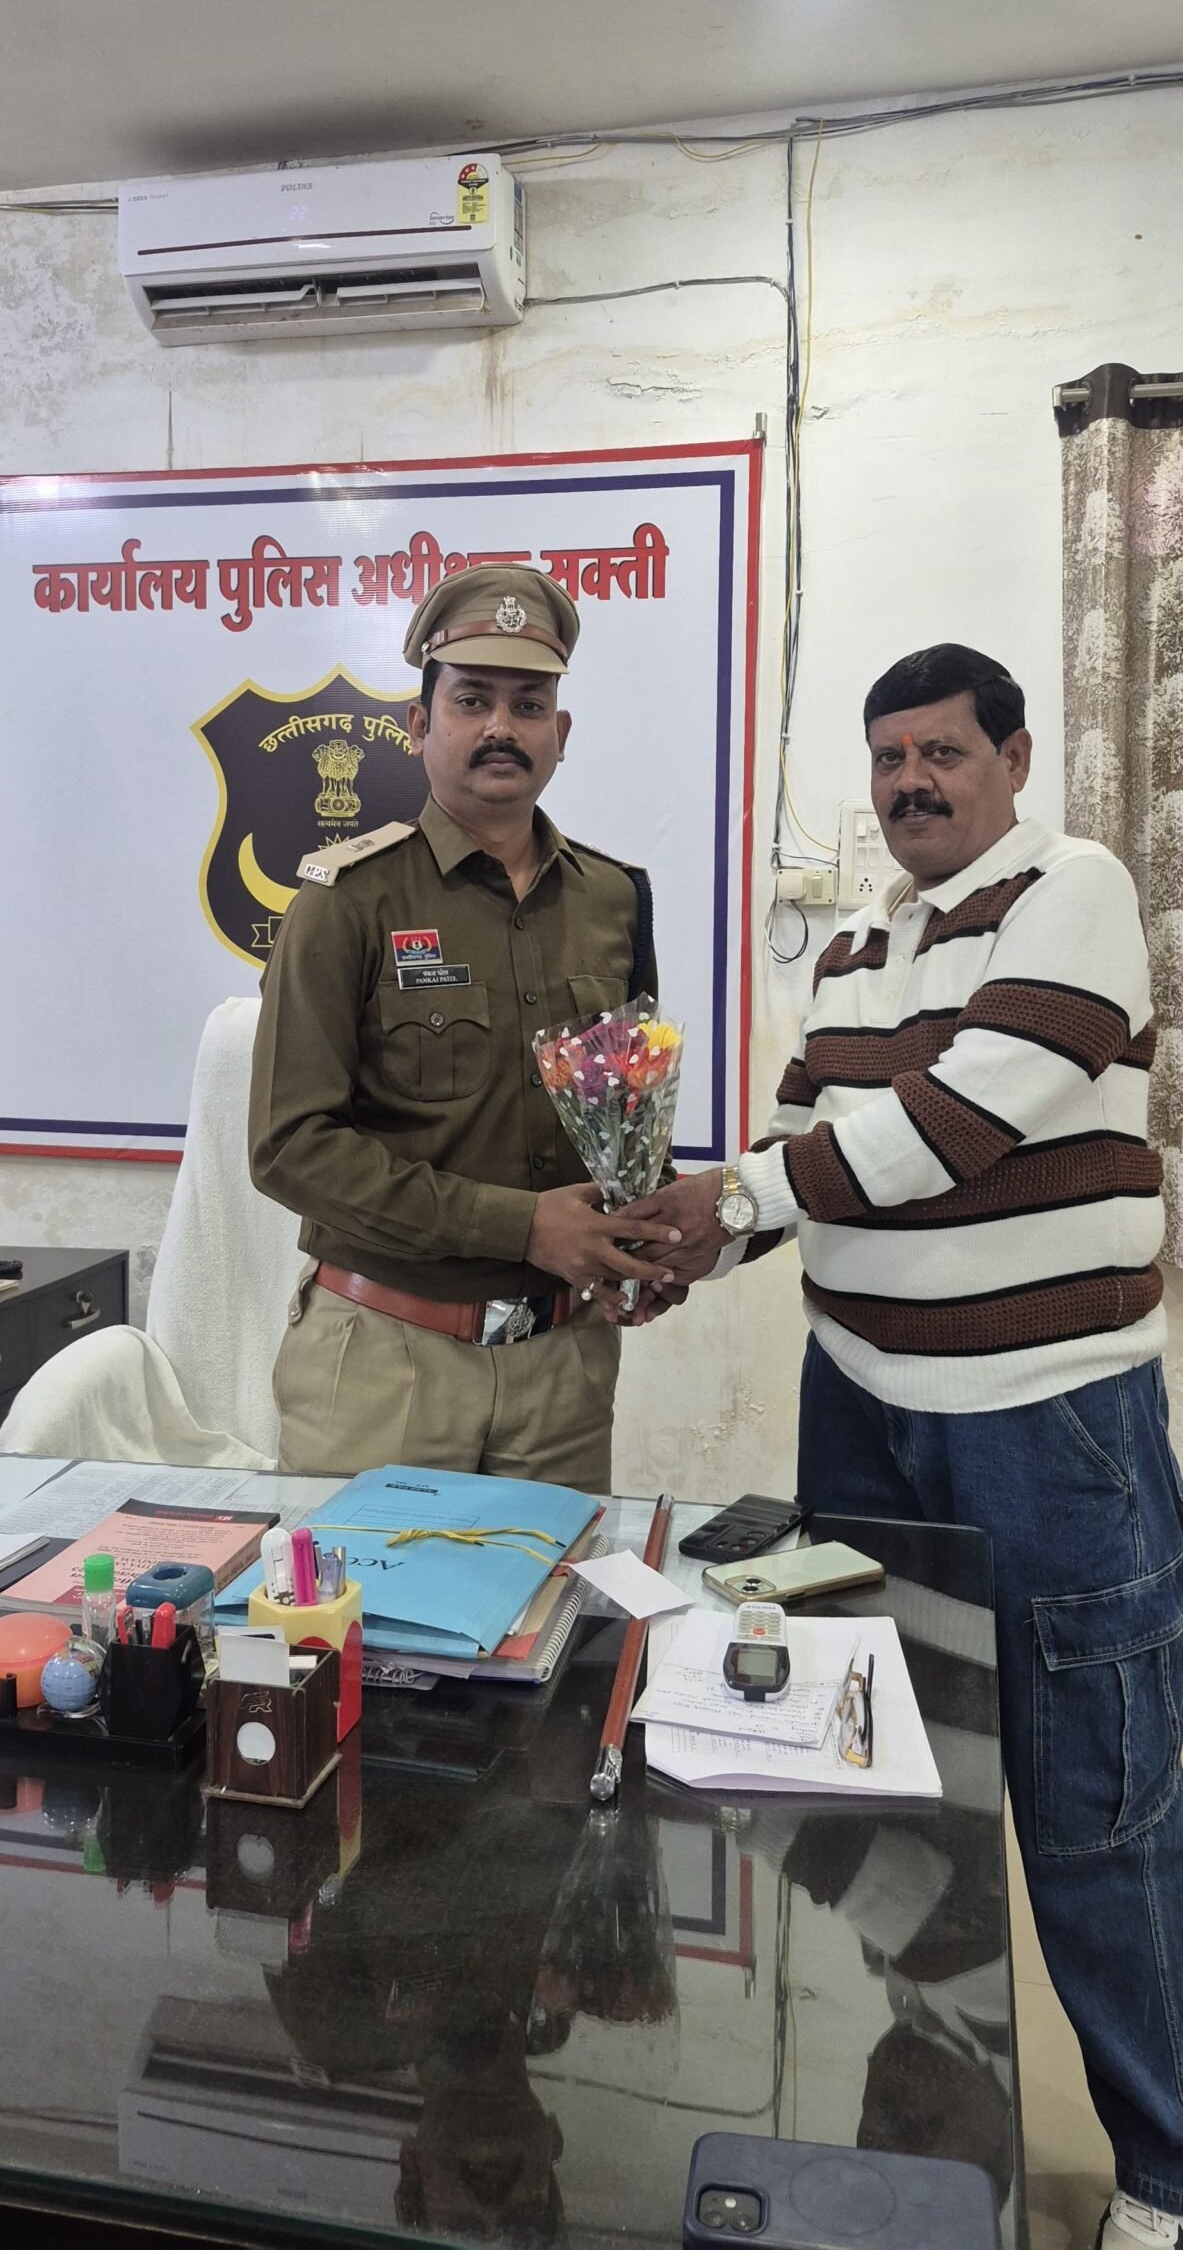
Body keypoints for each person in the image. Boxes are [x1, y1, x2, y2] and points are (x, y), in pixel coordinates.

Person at [628, 644, 1183, 2250]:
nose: (907, 784)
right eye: (885, 759)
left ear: (1011, 760)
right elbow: (810, 1141)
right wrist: (674, 1251)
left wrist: (735, 1199)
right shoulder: (860, 944)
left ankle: (1161, 2175)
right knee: (889, 1794)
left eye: (940, 752)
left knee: (1096, 1808)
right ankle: (939, 2121)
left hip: (1045, 1426)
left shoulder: (1073, 891)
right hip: (861, 1408)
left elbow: (955, 1125)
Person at [249, 562, 679, 1485]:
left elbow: (626, 1119)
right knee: (358, 1589)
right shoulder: (346, 900)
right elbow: (289, 1147)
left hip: (563, 1371)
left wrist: (643, 1237)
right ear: (418, 724)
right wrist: (521, 1227)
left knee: (563, 1586)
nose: (500, 728)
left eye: (529, 706)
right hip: (385, 1365)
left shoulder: (613, 899)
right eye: (472, 699)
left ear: (560, 733)